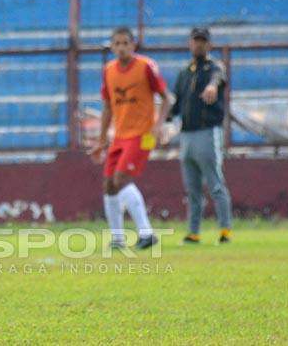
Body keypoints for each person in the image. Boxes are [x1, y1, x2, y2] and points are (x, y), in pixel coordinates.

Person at [89, 27, 171, 250]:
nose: (122, 47)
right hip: (120, 136)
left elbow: (167, 98)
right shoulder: (108, 70)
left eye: (126, 43)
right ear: (112, 47)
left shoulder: (146, 67)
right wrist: (101, 140)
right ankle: (117, 239)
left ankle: (147, 233)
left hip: (143, 134)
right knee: (109, 185)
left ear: (133, 45)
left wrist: (158, 125)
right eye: (117, 43)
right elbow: (107, 106)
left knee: (121, 179)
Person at [170, 27, 232, 244]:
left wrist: (213, 86)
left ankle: (225, 231)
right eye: (196, 40)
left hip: (207, 132)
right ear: (190, 43)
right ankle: (193, 232)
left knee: (215, 183)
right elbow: (176, 104)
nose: (199, 44)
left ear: (209, 45)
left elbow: (218, 77)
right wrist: (162, 120)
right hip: (187, 135)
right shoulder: (185, 72)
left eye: (203, 41)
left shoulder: (214, 67)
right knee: (192, 188)